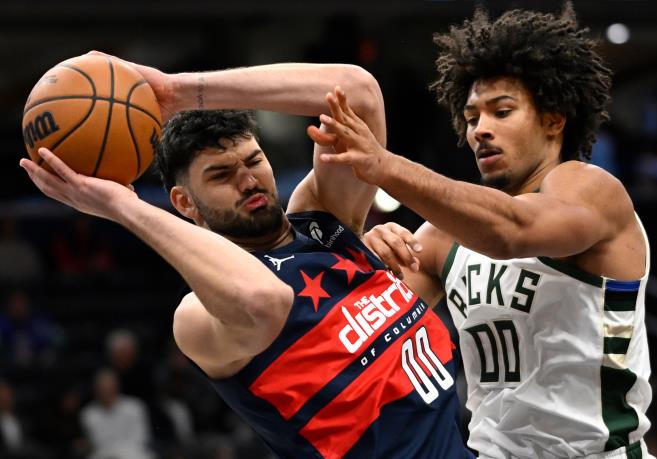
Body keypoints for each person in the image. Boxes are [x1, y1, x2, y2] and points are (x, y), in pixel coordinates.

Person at [19, 55, 472, 458]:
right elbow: (263, 299)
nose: (248, 180)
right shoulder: (197, 318)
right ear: (184, 203)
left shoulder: (323, 216)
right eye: (221, 175)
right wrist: (123, 206)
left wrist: (180, 91)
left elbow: (357, 92)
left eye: (253, 161)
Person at [312, 4, 654, 459]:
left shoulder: (592, 190)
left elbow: (513, 231)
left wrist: (385, 167)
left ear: (554, 120)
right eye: (472, 118)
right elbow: (356, 335)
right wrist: (365, 253)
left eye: (502, 112)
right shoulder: (442, 238)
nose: (481, 131)